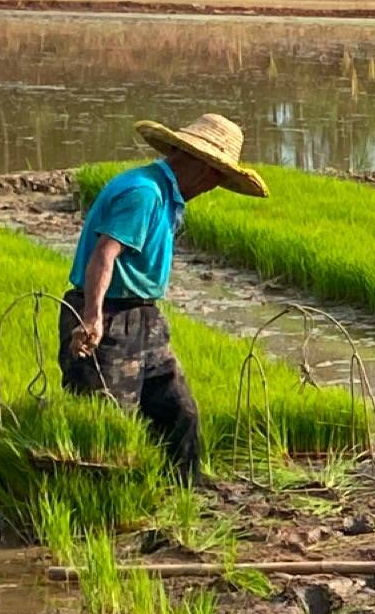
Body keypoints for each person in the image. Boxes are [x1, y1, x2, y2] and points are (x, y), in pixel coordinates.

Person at [62, 113, 269, 485]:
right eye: (215, 178)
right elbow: (104, 253)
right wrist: (92, 318)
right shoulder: (145, 193)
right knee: (107, 421)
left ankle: (185, 489)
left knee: (179, 411)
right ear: (199, 165)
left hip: (144, 317)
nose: (211, 187)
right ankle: (99, 503)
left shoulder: (166, 193)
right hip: (109, 316)